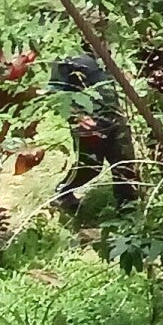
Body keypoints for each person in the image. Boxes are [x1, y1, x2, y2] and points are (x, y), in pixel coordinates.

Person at [48, 51, 138, 213]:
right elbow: (55, 93)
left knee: (125, 165)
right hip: (90, 126)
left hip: (116, 120)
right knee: (90, 167)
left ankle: (128, 210)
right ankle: (62, 194)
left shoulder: (105, 55)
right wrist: (77, 116)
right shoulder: (68, 56)